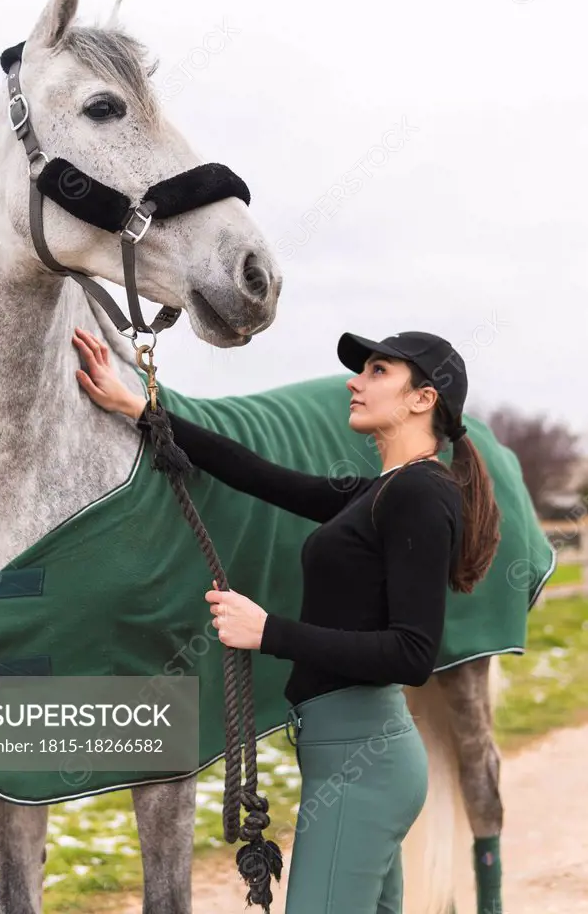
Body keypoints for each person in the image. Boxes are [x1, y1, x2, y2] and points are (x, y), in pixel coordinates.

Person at [71, 325, 501, 914]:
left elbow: (413, 653)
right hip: (348, 759)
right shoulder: (380, 491)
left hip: (363, 764)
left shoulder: (419, 496)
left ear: (423, 399)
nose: (355, 381)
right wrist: (140, 409)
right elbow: (255, 473)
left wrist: (267, 631)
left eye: (379, 372)